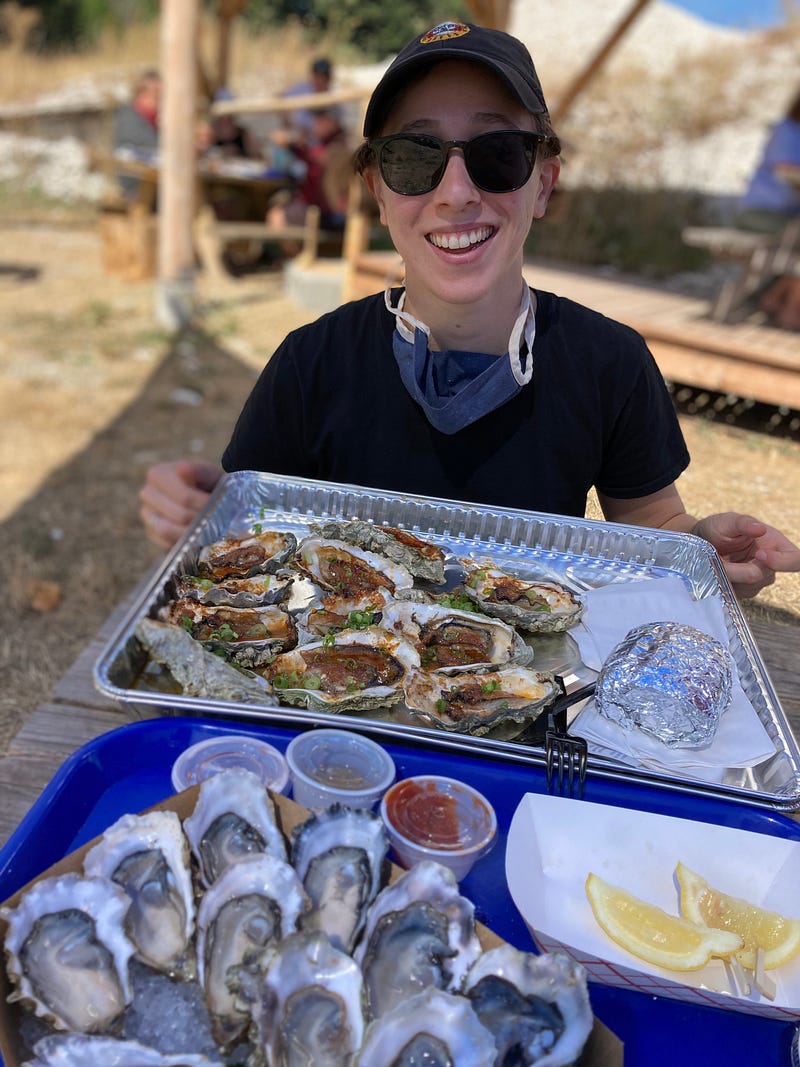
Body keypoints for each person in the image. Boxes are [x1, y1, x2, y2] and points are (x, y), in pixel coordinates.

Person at [139, 21, 800, 600]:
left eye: (497, 154)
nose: (455, 192)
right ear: (376, 189)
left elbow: (653, 524)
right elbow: (245, 532)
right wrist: (190, 512)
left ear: (543, 181)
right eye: (412, 158)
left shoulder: (609, 362)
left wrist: (700, 545)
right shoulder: (311, 363)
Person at [735, 87, 800, 329]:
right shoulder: (787, 130)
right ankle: (789, 306)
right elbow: (788, 172)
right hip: (761, 213)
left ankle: (777, 298)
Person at [266, 108, 351, 254]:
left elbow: (318, 159)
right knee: (277, 213)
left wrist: (292, 144)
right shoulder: (324, 144)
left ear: (332, 122)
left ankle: (295, 258)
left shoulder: (339, 147)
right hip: (313, 205)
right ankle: (295, 258)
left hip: (324, 210)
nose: (316, 124)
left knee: (277, 217)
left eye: (320, 120)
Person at [113, 69, 161, 200]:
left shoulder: (151, 119)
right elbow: (155, 149)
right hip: (135, 188)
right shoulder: (129, 118)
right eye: (157, 94)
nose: (161, 99)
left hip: (152, 184)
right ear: (141, 93)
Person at [282, 56, 343, 141]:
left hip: (321, 143)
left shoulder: (333, 98)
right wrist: (288, 122)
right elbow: (280, 100)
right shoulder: (301, 90)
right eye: (318, 76)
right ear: (313, 75)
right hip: (301, 138)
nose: (321, 80)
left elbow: (333, 123)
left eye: (324, 76)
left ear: (329, 78)